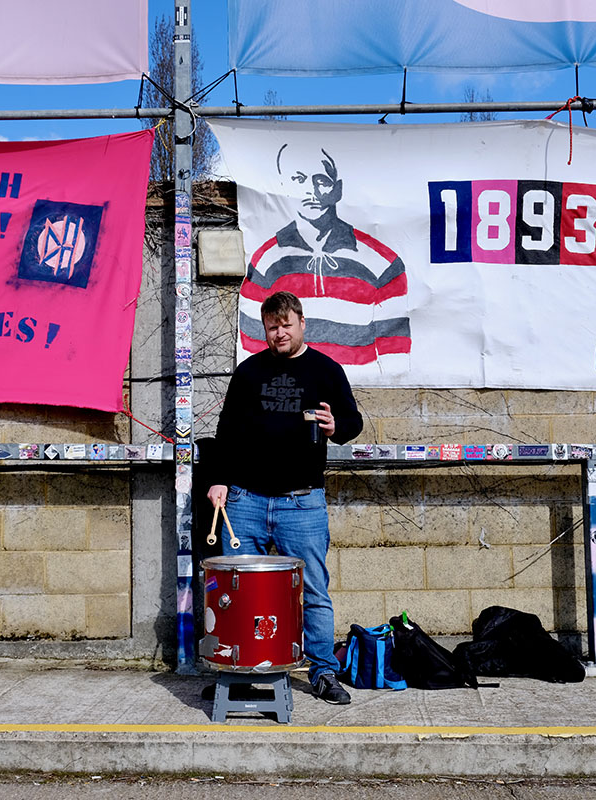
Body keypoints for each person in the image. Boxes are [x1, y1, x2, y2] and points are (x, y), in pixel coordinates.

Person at [208, 290, 363, 704]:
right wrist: (219, 480)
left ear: (301, 323)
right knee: (237, 591)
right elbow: (226, 432)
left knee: (313, 590)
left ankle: (323, 672)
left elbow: (353, 422)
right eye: (272, 326)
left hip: (302, 502)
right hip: (245, 500)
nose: (279, 333)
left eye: (286, 325)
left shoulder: (325, 370)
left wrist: (335, 427)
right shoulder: (248, 372)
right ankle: (238, 671)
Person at [238, 142, 410, 378]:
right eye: (299, 180)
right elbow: (252, 349)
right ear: (283, 188)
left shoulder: (383, 263)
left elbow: (395, 358)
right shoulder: (266, 261)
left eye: (322, 180)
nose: (312, 191)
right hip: (283, 392)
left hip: (354, 391)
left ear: (337, 189)